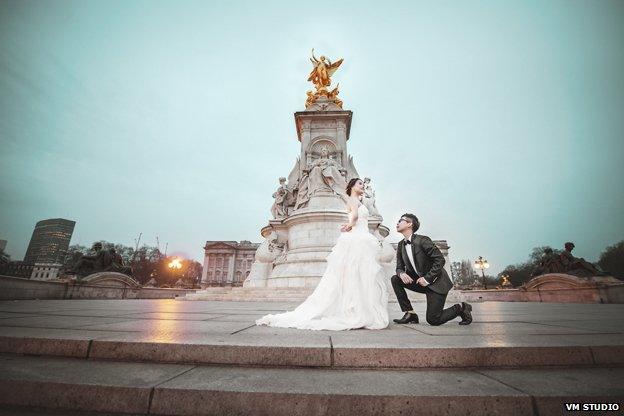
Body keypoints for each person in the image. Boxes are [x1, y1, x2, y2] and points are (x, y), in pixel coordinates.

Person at [256, 178, 389, 330]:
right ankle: (360, 309)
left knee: (356, 272)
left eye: (363, 185)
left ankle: (356, 308)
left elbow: (354, 217)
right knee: (360, 272)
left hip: (359, 235)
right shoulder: (353, 199)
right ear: (352, 186)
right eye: (360, 184)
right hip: (359, 236)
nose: (363, 186)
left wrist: (349, 225)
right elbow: (355, 217)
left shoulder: (356, 200)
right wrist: (349, 225)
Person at [391, 214, 473, 326]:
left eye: (401, 220)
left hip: (436, 283)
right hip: (420, 282)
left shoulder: (423, 240)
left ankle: (461, 308)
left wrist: (427, 278)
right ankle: (410, 313)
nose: (397, 223)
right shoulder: (401, 245)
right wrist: (401, 273)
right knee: (395, 279)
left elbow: (440, 260)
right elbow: (399, 267)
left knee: (433, 320)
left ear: (410, 224)